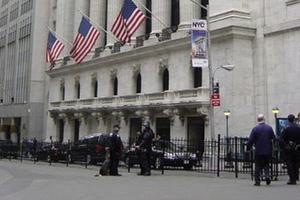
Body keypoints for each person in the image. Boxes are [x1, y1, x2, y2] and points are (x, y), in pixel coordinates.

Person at [247, 114, 275, 186]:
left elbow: (251, 140)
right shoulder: (269, 128)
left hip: (258, 150)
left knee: (258, 166)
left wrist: (248, 148)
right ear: (264, 119)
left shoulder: (255, 129)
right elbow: (273, 138)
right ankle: (267, 176)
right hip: (268, 150)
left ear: (257, 120)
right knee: (266, 164)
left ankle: (257, 181)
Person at [281, 114, 300, 185]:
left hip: (289, 149)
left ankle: (292, 179)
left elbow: (282, 139)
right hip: (297, 148)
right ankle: (296, 176)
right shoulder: (298, 127)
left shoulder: (286, 128)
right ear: (294, 119)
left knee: (290, 164)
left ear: (288, 120)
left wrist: (285, 146)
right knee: (296, 163)